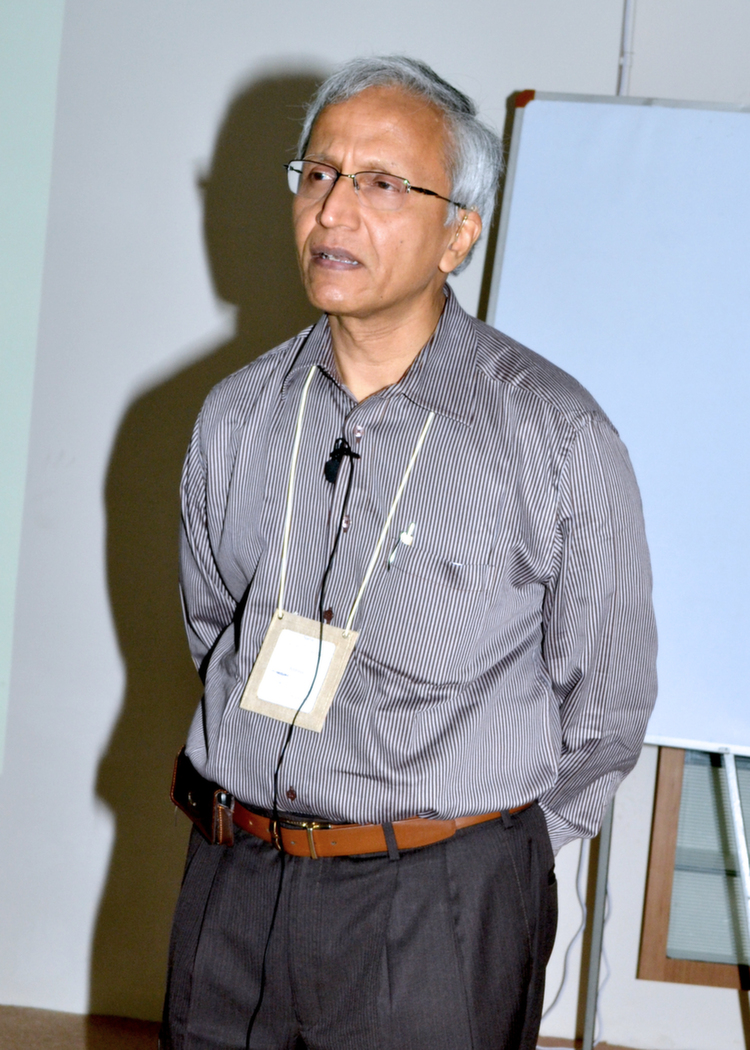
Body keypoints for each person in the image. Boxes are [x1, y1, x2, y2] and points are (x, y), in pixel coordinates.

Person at [161, 56, 657, 1050]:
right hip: (235, 881)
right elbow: (216, 630)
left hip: (441, 906)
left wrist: (490, 860)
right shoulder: (236, 416)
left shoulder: (555, 436)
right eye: (318, 174)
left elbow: (604, 709)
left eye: (382, 184)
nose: (334, 211)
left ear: (458, 234)